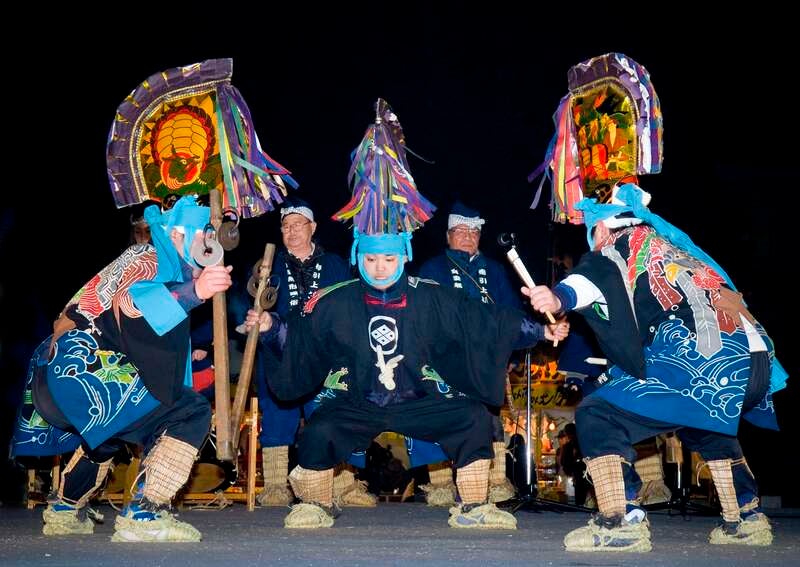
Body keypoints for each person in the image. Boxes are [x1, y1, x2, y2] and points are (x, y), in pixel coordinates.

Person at [247, 98, 568, 530]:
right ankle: (317, 504)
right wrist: (269, 327)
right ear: (361, 258)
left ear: (403, 257)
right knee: (320, 425)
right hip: (359, 400)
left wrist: (541, 331)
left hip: (420, 399)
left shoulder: (428, 296)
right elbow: (302, 335)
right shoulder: (340, 299)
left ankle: (473, 506)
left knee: (473, 418)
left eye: (389, 261)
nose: (380, 269)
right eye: (373, 261)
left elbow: (486, 322)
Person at [526, 49, 787, 555]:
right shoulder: (670, 240)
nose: (587, 234)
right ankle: (747, 519)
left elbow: (586, 284)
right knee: (702, 419)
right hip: (753, 358)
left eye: (588, 226)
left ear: (600, 221)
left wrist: (552, 294)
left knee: (598, 413)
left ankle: (620, 520)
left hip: (700, 354)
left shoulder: (612, 249)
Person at [13, 196, 232, 542]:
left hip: (70, 379)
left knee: (110, 432)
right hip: (81, 371)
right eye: (203, 233)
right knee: (190, 411)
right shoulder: (148, 258)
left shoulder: (160, 265)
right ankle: (144, 513)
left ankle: (64, 511)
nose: (209, 241)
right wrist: (194, 292)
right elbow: (131, 306)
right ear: (177, 234)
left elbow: (135, 337)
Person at [233, 197, 373, 507]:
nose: (292, 231)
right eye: (286, 226)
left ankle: (343, 484)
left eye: (299, 225)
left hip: (326, 356)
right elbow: (244, 304)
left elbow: (351, 307)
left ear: (313, 228)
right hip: (279, 353)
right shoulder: (267, 266)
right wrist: (247, 319)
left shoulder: (336, 265)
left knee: (330, 414)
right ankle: (275, 487)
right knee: (278, 415)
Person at [415, 201, 521, 505]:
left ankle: (496, 480)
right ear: (448, 235)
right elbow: (422, 313)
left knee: (488, 418)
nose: (467, 236)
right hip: (443, 358)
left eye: (473, 231)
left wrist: (509, 353)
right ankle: (441, 484)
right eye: (460, 231)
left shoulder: (496, 271)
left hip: (485, 360)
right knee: (442, 417)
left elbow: (510, 314)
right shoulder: (433, 269)